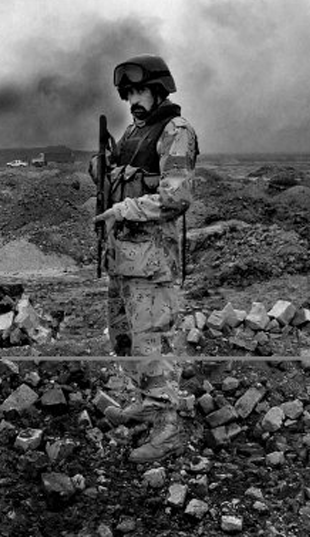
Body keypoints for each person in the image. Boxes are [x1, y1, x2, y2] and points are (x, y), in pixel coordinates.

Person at [91, 54, 199, 463]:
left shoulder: (176, 132)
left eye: (139, 91)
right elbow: (116, 174)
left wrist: (124, 210)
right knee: (125, 338)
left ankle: (168, 426)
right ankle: (148, 402)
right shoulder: (134, 131)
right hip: (123, 259)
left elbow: (176, 197)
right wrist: (99, 167)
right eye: (128, 93)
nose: (133, 100)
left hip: (152, 262)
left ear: (158, 90)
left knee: (153, 339)